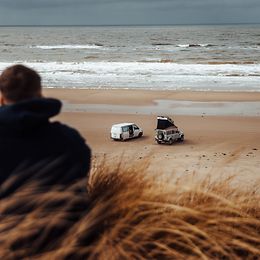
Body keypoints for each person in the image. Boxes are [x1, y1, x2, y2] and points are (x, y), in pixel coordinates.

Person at [0, 64, 91, 187]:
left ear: (2, 99)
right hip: (57, 205)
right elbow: (81, 177)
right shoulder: (69, 139)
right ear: (39, 95)